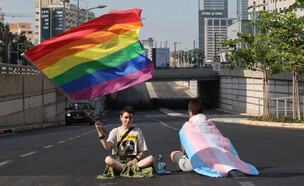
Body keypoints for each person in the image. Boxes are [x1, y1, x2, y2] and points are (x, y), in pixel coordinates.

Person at [170, 100, 259, 177]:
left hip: (197, 163)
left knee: (174, 154)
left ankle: (187, 166)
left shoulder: (186, 127)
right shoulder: (210, 124)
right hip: (220, 159)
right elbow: (221, 141)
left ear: (191, 112)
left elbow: (185, 150)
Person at [95, 106, 155, 179]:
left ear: (133, 118)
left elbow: (141, 151)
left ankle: (125, 169)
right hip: (120, 162)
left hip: (134, 161)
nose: (128, 120)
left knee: (151, 159)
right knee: (108, 159)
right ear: (121, 117)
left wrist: (134, 161)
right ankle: (130, 170)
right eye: (126, 117)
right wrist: (99, 132)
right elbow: (107, 146)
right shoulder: (115, 131)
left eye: (130, 117)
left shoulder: (137, 131)